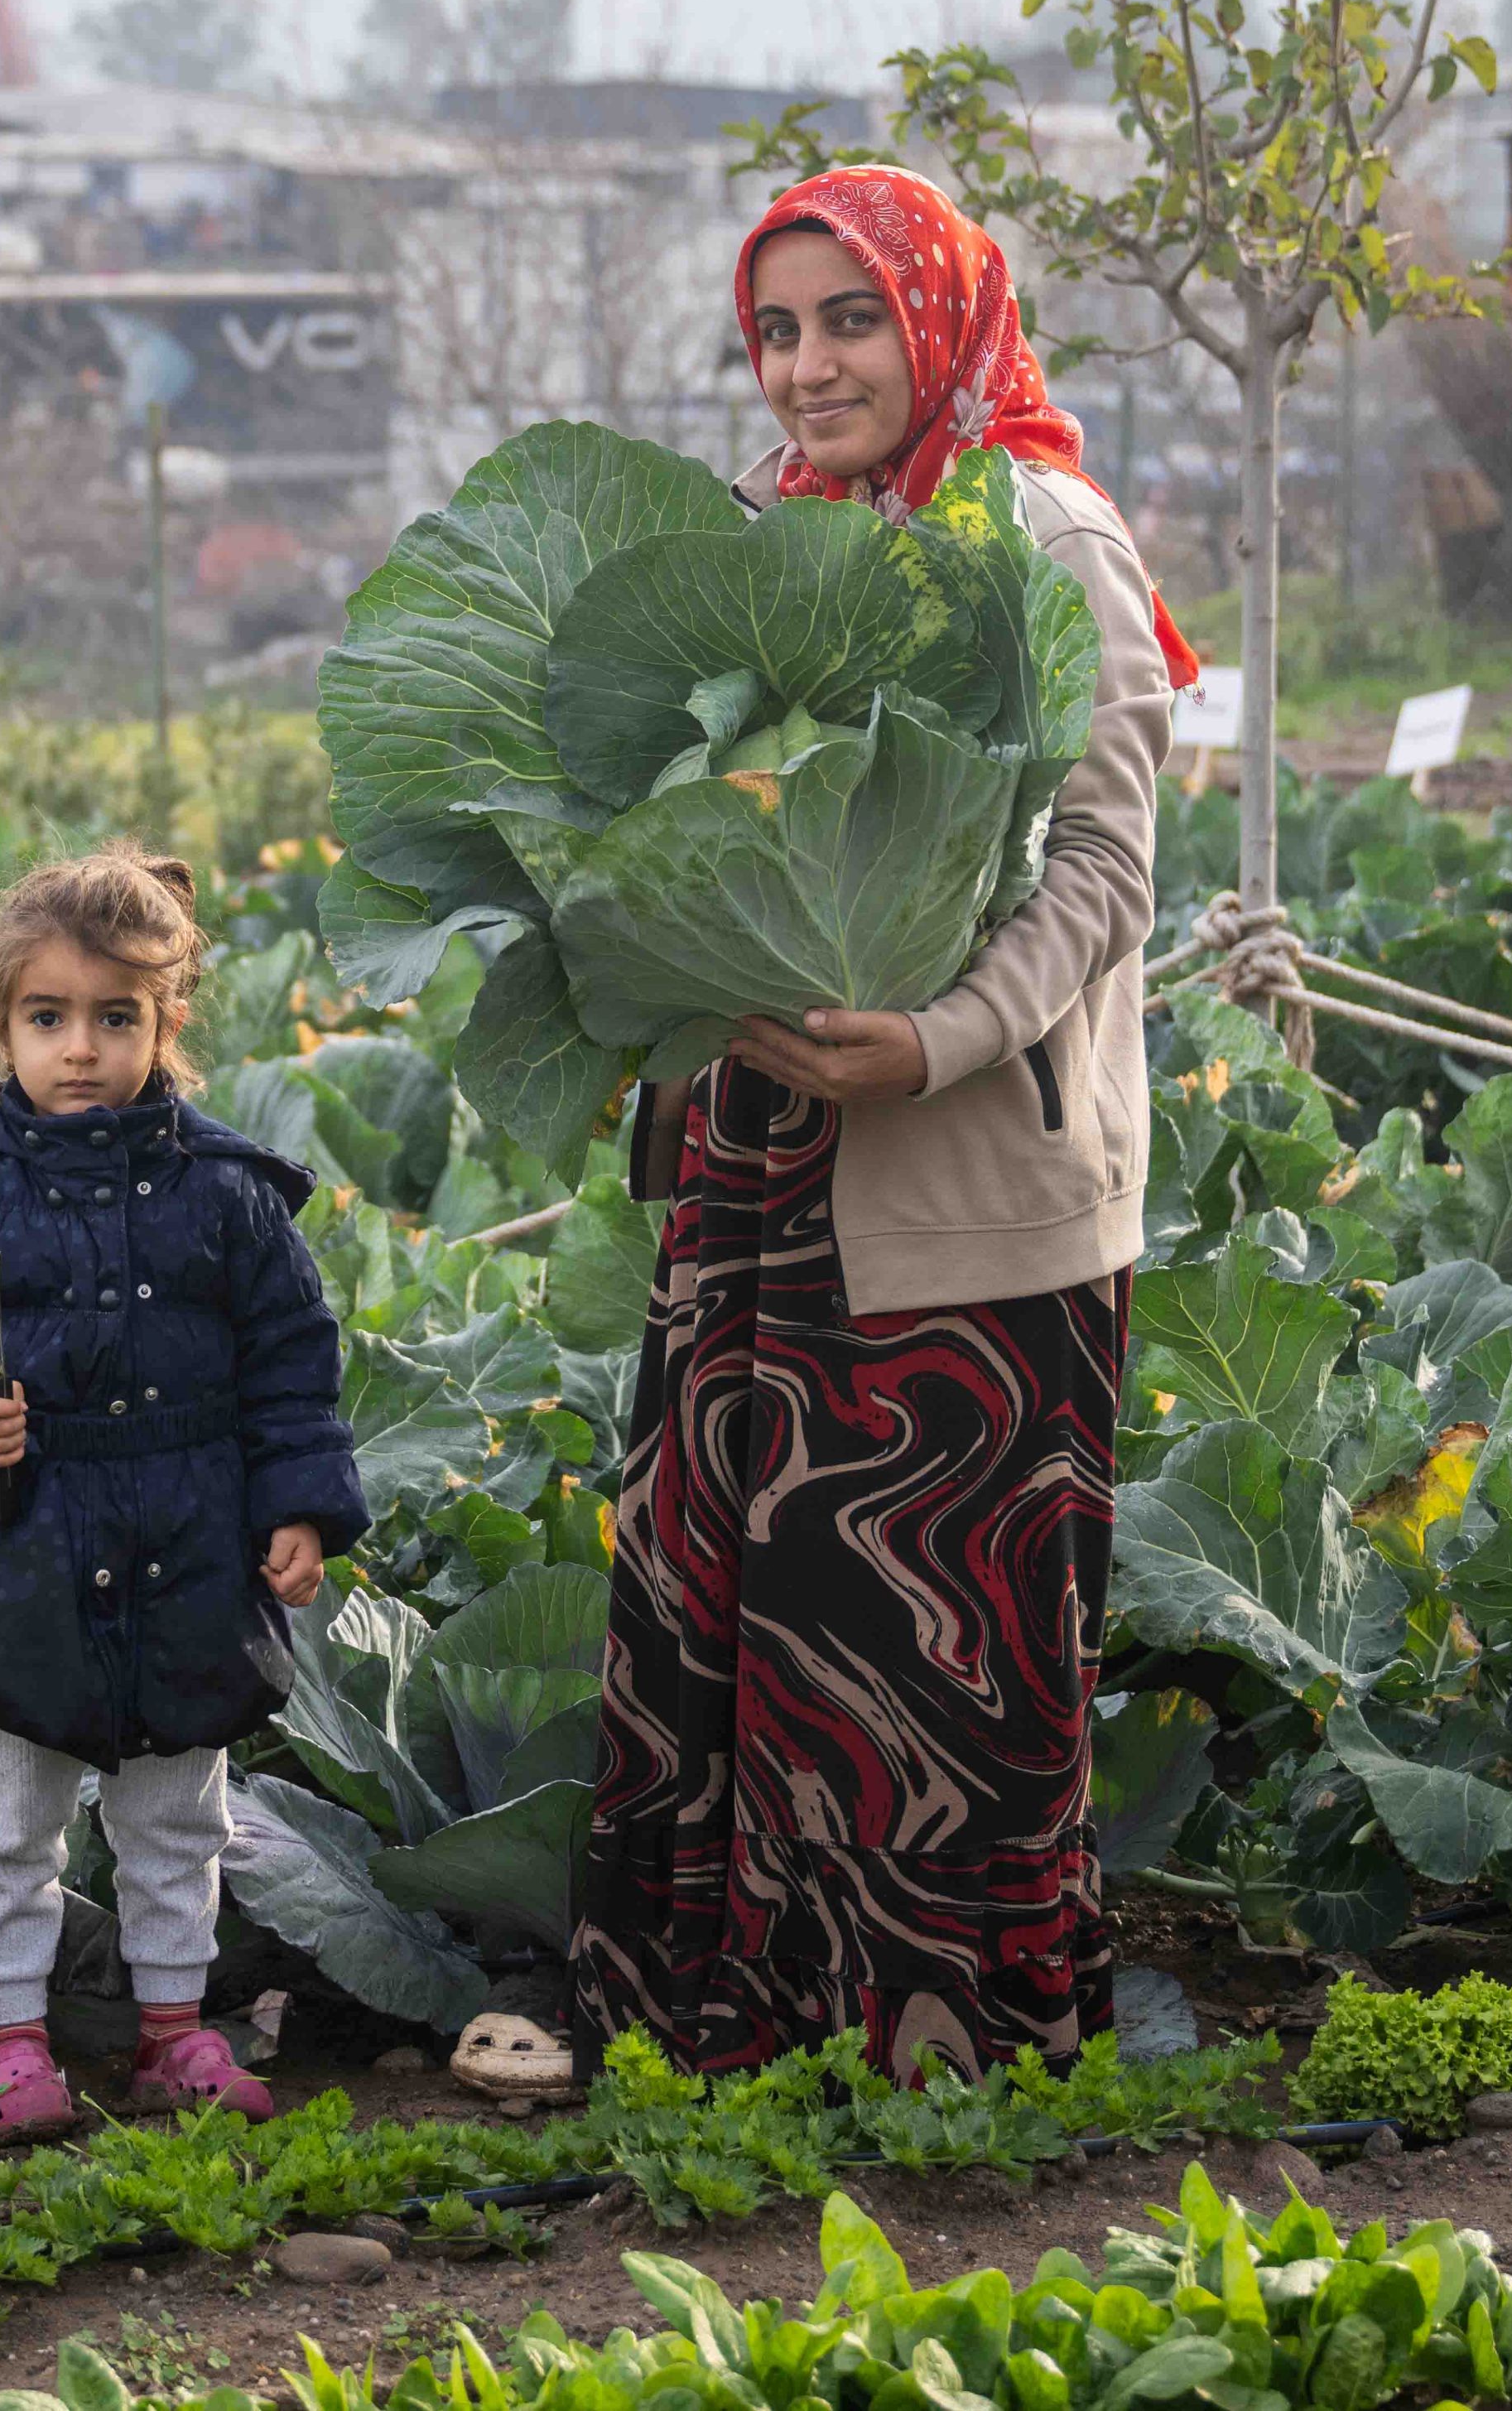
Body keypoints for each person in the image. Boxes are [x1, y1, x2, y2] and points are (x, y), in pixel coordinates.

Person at [563, 164, 1189, 2088]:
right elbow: (635, 799)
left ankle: (940, 2051)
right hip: (758, 1164)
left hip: (960, 1173)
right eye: (779, 326)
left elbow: (1100, 867)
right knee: (727, 1593)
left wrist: (931, 1037)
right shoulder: (764, 527)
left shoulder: (1046, 532)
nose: (811, 362)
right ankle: (721, 2030)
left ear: (941, 317)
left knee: (933, 1637)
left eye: (853, 318)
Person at [0, 843, 368, 2145]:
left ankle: (171, 2034)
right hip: (26, 1557)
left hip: (188, 1553)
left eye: (116, 1017)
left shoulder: (229, 1197)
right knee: (12, 1817)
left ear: (166, 1023)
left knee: (178, 1816)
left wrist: (298, 1508)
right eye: (47, 1016)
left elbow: (292, 1364)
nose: (81, 1046)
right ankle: (12, 2042)